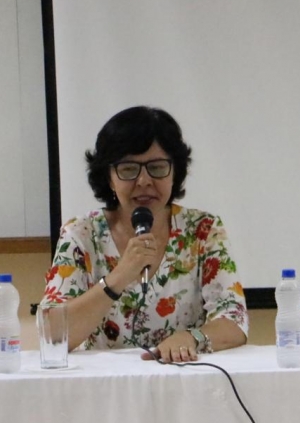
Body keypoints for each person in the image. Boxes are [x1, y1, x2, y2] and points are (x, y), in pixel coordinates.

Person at [41, 106, 248, 361]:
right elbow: (51, 335)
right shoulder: (81, 234)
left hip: (185, 375)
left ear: (175, 172)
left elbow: (235, 320)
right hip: (107, 381)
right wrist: (119, 277)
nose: (144, 181)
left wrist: (192, 337)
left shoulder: (203, 230)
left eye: (157, 168)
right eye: (129, 169)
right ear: (109, 177)